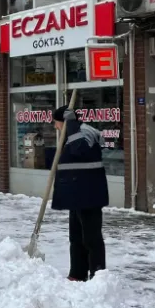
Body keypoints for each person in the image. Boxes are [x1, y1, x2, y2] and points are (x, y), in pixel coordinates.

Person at [52, 106, 108, 281]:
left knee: (91, 238)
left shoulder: (83, 134)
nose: (55, 127)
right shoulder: (72, 135)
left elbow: (80, 150)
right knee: (75, 237)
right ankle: (77, 273)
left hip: (89, 195)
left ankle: (97, 275)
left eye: (57, 122)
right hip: (76, 195)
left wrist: (72, 125)